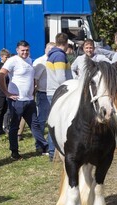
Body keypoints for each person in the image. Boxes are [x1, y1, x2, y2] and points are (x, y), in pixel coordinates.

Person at [0, 40, 48, 160]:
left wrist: (33, 90)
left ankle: (44, 147)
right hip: (16, 100)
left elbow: (31, 78)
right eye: (22, 50)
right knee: (14, 126)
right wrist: (6, 93)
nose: (25, 52)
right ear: (17, 50)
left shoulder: (30, 60)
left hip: (29, 100)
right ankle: (14, 152)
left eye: (27, 50)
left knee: (34, 125)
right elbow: (0, 75)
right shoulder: (12, 61)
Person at [46, 32, 72, 161]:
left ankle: (52, 151)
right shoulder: (59, 56)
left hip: (53, 92)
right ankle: (53, 153)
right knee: (57, 123)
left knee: (54, 121)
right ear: (66, 43)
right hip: (59, 92)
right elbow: (61, 77)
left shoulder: (53, 54)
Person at [33, 42, 55, 147]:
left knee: (52, 119)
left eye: (53, 49)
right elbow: (35, 79)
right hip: (43, 94)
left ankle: (51, 143)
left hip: (53, 93)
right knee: (41, 120)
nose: (51, 51)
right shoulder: (40, 61)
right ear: (45, 49)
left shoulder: (54, 59)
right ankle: (39, 144)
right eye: (49, 48)